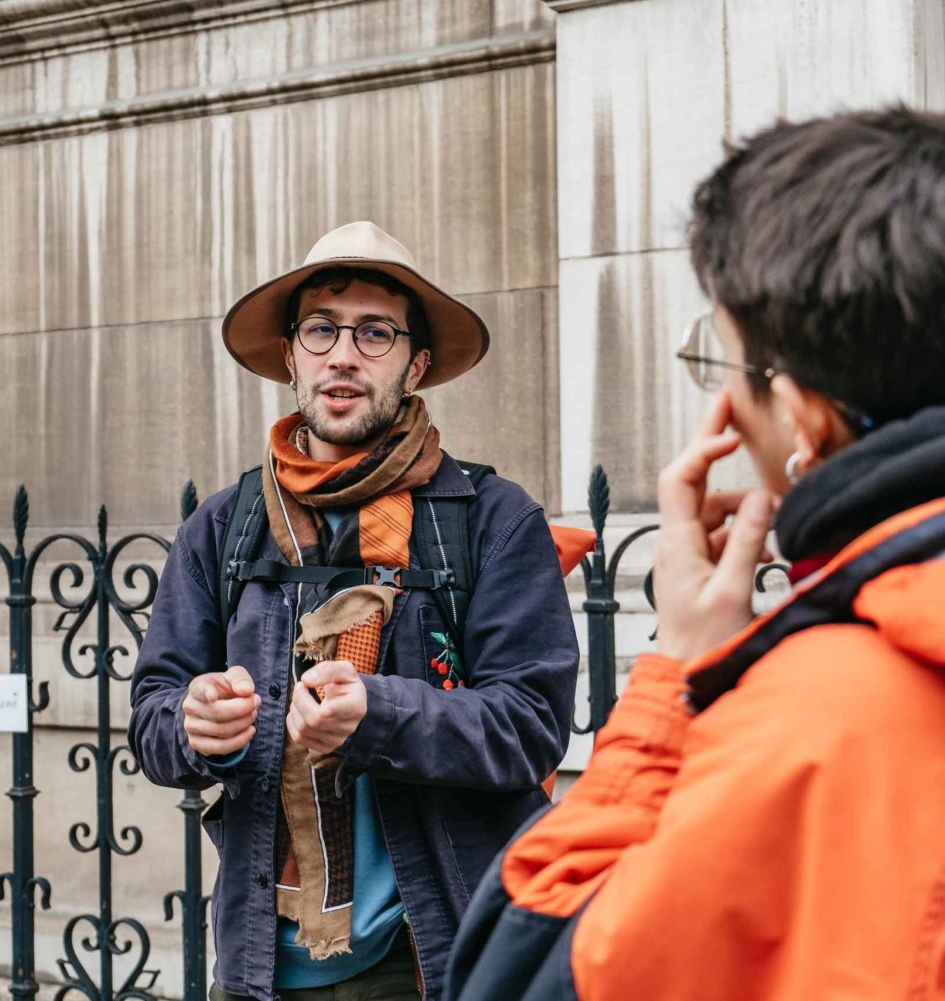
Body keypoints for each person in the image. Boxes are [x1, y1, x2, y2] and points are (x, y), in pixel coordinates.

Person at [447, 107, 945, 1001]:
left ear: (801, 413)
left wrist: (677, 667)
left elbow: (514, 976)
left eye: (725, 358)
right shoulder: (234, 521)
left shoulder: (816, 717)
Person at [130, 221, 582, 1001]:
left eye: (376, 332)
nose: (344, 353)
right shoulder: (222, 526)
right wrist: (194, 725)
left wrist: (378, 713)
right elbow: (153, 718)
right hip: (259, 965)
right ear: (291, 356)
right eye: (321, 330)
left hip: (433, 961)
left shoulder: (492, 518)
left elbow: (532, 722)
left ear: (417, 366)